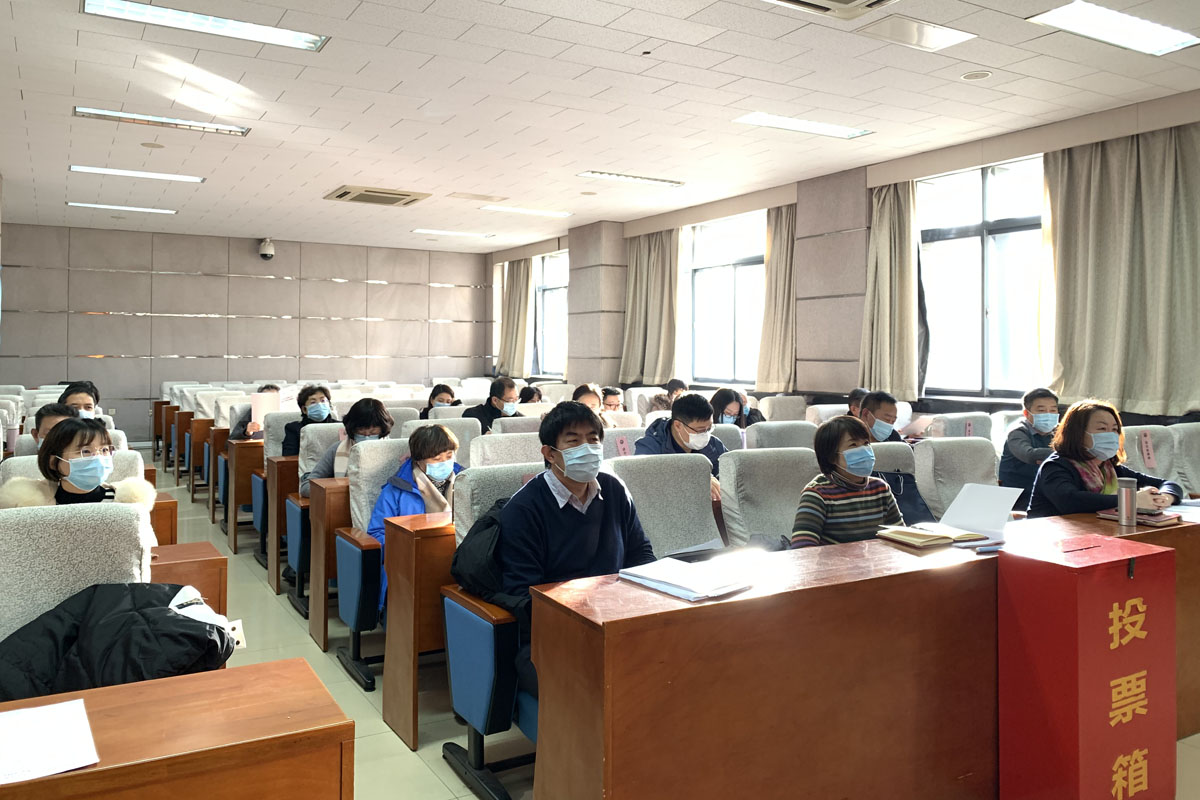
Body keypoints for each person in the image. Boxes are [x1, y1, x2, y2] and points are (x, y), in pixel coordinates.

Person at [497, 401, 656, 696]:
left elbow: (641, 554)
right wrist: (587, 617)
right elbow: (522, 594)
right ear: (549, 453)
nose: (587, 448)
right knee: (607, 687)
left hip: (617, 620)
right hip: (554, 635)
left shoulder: (614, 489)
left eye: (593, 440)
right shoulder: (524, 509)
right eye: (573, 441)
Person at [1027, 399, 1183, 518]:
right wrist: (1131, 500)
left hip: (1093, 535)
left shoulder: (1109, 468)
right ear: (1077, 434)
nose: (1111, 435)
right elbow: (1070, 501)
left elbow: (1168, 484)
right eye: (1102, 429)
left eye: (1114, 430)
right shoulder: (1056, 466)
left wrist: (1166, 497)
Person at [367, 424, 463, 613]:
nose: (444, 463)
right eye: (436, 459)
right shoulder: (397, 489)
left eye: (449, 456)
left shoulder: (466, 481)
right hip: (411, 563)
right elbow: (376, 534)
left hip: (457, 559)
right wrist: (409, 546)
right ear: (418, 461)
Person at [790, 416, 903, 548]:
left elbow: (900, 537)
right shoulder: (817, 494)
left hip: (877, 560)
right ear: (831, 457)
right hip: (835, 561)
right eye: (853, 445)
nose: (864, 450)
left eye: (866, 443)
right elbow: (802, 548)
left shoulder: (880, 488)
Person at [0, 418, 155, 509]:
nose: (98, 458)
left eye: (104, 450)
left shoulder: (125, 504)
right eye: (85, 451)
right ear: (54, 462)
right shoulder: (34, 506)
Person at [635, 392, 726, 500]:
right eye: (700, 430)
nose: (705, 435)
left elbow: (730, 472)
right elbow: (643, 485)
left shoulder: (713, 444)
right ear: (678, 425)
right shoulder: (650, 448)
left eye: (709, 429)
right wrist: (697, 481)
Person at [300, 399, 393, 497]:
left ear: (383, 429)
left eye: (373, 432)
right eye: (361, 430)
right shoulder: (337, 449)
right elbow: (306, 487)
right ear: (352, 428)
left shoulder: (394, 450)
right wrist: (341, 491)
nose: (366, 435)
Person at [998, 388, 1060, 509]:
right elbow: (1029, 454)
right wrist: (1068, 453)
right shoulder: (1017, 432)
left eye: (1053, 410)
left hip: (1046, 494)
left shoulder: (1059, 432)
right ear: (1026, 413)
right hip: (1018, 498)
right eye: (1041, 410)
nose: (1048, 414)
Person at [281, 385, 337, 457]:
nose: (319, 405)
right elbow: (289, 457)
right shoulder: (294, 429)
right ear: (304, 409)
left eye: (323, 401)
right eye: (313, 402)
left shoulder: (340, 426)